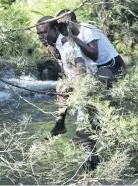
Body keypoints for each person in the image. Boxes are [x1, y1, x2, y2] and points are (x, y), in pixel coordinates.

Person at [36, 16, 99, 170]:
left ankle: (88, 179)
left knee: (84, 139)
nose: (41, 37)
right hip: (82, 91)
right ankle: (91, 178)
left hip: (87, 92)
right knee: (89, 139)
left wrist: (81, 85)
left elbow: (80, 63)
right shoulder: (56, 46)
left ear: (55, 29)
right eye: (38, 34)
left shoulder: (67, 44)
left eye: (44, 32)